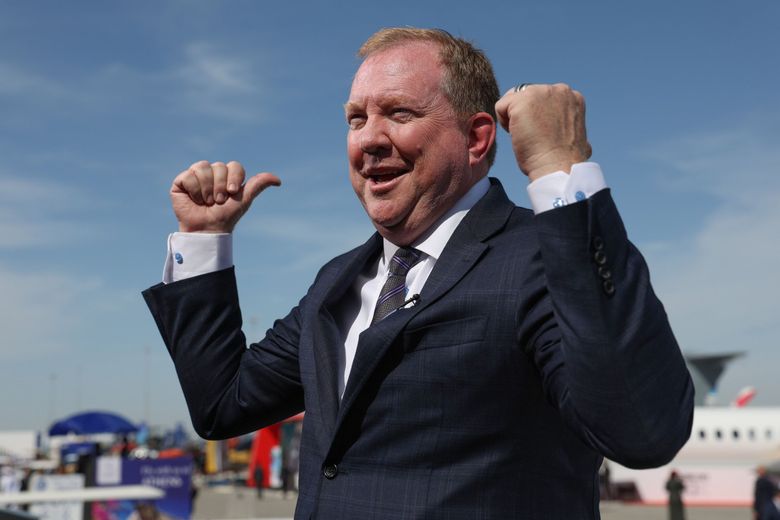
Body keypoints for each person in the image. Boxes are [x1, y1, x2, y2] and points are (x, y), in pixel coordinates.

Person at [143, 27, 694, 519]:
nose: (368, 139)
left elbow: (641, 430)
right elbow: (222, 404)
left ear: (478, 139)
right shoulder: (336, 283)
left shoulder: (543, 255)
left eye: (399, 113)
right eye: (356, 119)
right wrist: (204, 240)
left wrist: (560, 167)